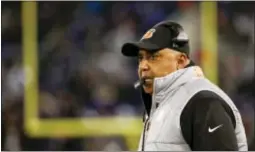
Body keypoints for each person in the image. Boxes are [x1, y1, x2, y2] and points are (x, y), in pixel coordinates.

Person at [121, 20, 248, 151]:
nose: (143, 66)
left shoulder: (203, 102)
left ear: (181, 61)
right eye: (141, 58)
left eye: (153, 57)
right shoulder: (162, 104)